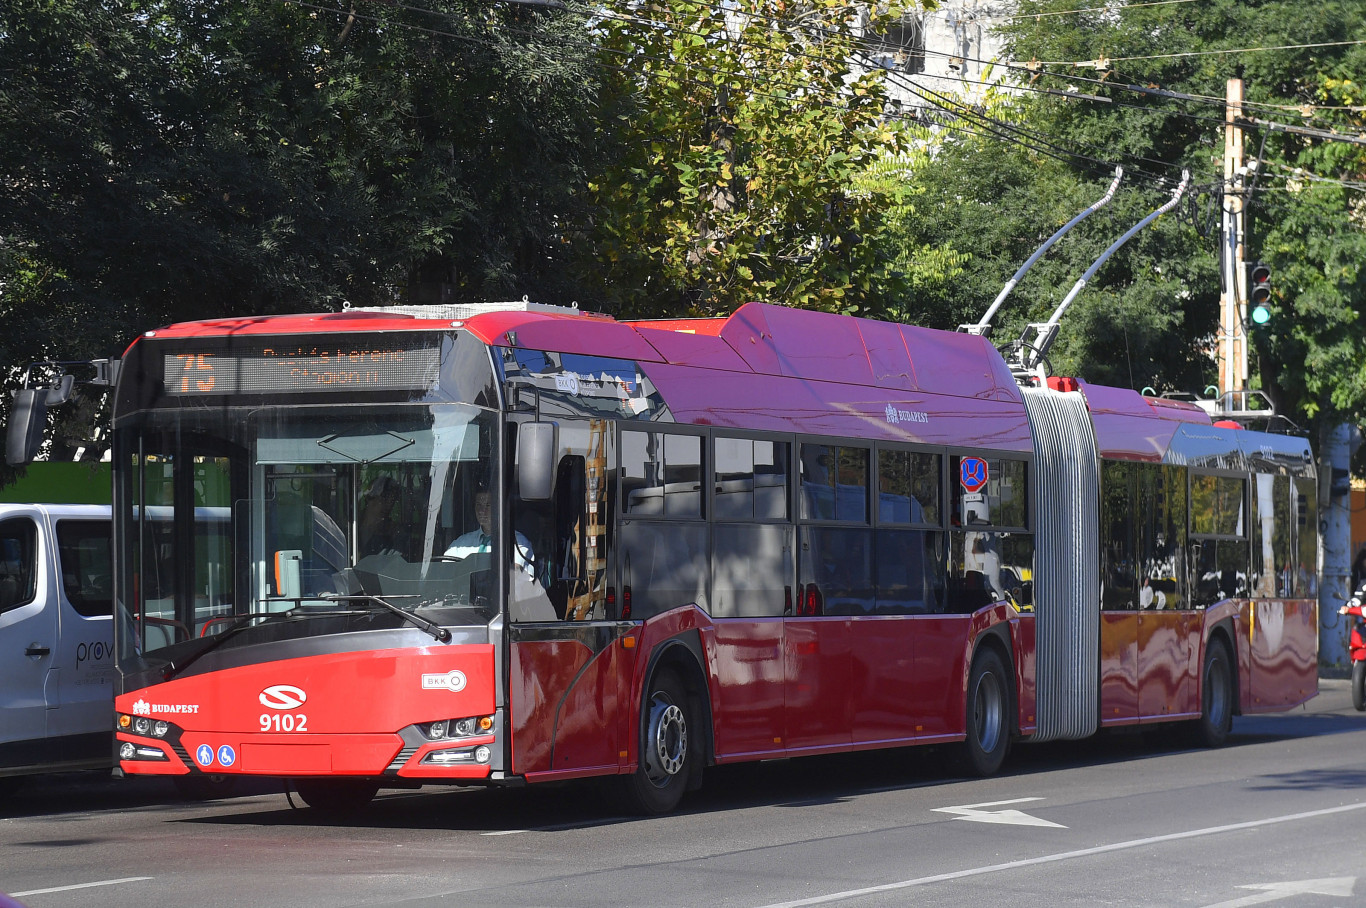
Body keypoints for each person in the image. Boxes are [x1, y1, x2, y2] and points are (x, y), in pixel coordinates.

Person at [445, 490, 539, 583]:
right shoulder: (462, 543)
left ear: (499, 508)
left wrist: (465, 568)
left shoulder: (516, 541)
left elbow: (515, 570)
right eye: (478, 505)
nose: (482, 511)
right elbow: (444, 571)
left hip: (503, 597)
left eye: (488, 505)